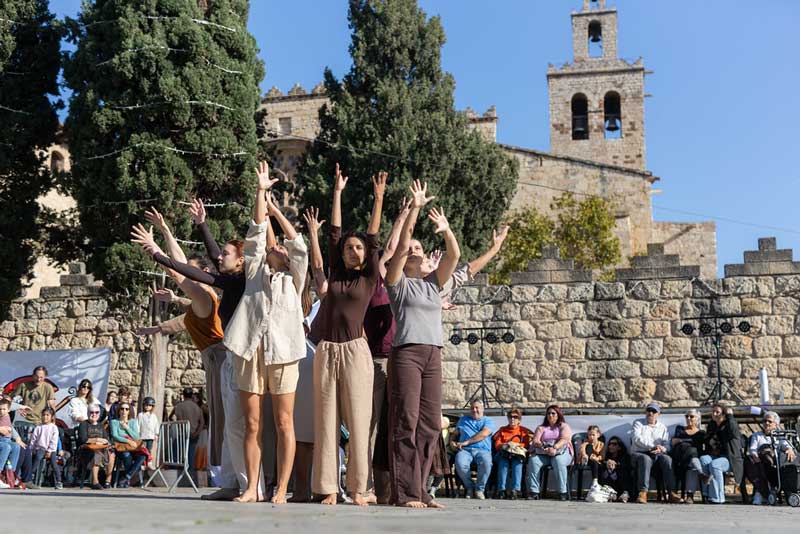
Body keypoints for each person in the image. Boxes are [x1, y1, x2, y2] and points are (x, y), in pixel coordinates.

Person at [137, 198, 250, 502]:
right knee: (229, 424)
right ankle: (237, 481)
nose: (216, 260)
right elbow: (185, 311)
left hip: (223, 357)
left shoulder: (212, 293)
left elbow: (181, 272)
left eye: (226, 255)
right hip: (220, 358)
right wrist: (193, 225)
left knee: (231, 424)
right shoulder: (218, 289)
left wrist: (159, 247)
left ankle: (239, 482)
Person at [223, 161, 308, 504]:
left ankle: (282, 489)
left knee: (285, 422)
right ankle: (251, 488)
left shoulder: (296, 279)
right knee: (253, 424)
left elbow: (299, 246)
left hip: (285, 353)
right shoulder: (255, 270)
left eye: (282, 249)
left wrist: (278, 211)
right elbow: (256, 233)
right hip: (249, 349)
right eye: (276, 246)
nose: (278, 247)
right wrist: (261, 194)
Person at [384, 180, 460, 509]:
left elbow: (454, 255)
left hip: (434, 354)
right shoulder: (397, 282)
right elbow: (399, 250)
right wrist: (414, 209)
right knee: (406, 422)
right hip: (407, 354)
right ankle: (405, 493)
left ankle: (422, 488)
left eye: (418, 248)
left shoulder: (433, 284)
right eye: (411, 248)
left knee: (430, 425)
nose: (415, 250)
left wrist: (445, 229)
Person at [312, 163, 384, 507]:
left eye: (358, 248)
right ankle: (327, 487)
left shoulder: (368, 278)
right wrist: (337, 192)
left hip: (356, 351)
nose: (354, 250)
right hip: (327, 350)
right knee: (326, 422)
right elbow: (334, 234)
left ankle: (359, 488)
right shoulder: (337, 277)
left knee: (358, 420)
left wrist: (378, 199)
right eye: (348, 248)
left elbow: (372, 239)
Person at [629, 401, 681, 504]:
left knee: (667, 459)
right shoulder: (638, 423)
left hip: (657, 454)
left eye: (654, 411)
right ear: (646, 412)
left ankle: (671, 492)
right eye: (649, 410)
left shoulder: (662, 427)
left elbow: (667, 444)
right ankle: (643, 492)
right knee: (646, 459)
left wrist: (662, 448)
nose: (651, 413)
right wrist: (653, 446)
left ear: (658, 414)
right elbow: (637, 439)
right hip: (640, 453)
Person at [745, 410, 796, 505]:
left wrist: (789, 449)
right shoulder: (757, 436)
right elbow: (752, 449)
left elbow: (786, 445)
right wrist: (754, 454)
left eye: (769, 421)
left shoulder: (780, 435)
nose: (766, 423)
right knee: (760, 463)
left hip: (777, 463)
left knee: (787, 462)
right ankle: (761, 492)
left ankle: (787, 491)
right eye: (764, 421)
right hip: (762, 461)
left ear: (776, 424)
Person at [527, 404, 573, 501]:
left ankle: (562, 492)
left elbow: (565, 439)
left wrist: (555, 448)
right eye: (548, 413)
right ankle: (534, 491)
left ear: (558, 414)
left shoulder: (564, 426)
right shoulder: (541, 428)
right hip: (545, 453)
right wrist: (543, 446)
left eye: (553, 413)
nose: (550, 415)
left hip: (562, 453)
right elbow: (535, 441)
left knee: (558, 461)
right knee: (533, 460)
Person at [699, 403, 742, 504]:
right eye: (713, 412)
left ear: (723, 414)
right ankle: (706, 495)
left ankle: (718, 497)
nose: (714, 414)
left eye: (717, 412)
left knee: (715, 464)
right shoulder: (712, 425)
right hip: (716, 456)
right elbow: (708, 441)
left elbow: (734, 432)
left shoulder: (730, 424)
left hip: (730, 458)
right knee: (704, 459)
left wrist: (730, 415)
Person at [451, 400, 495, 500]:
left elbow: (484, 434)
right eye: (472, 408)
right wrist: (452, 442)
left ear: (482, 409)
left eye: (477, 407)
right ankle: (469, 487)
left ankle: (479, 489)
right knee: (460, 462)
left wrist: (466, 442)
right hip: (465, 450)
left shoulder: (488, 420)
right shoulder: (463, 420)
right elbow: (454, 434)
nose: (474, 410)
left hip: (482, 450)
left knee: (486, 462)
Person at [492, 408, 532, 500]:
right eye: (510, 417)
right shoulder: (502, 430)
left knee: (517, 463)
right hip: (503, 453)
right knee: (503, 462)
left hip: (517, 455)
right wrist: (507, 446)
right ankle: (501, 490)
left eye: (515, 417)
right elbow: (497, 444)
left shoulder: (523, 431)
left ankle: (515, 490)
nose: (512, 419)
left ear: (519, 420)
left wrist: (515, 445)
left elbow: (526, 445)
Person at [670, 408, 705, 503]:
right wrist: (688, 441)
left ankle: (690, 497)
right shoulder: (680, 429)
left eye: (692, 416)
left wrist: (681, 440)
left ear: (697, 418)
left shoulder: (701, 433)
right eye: (687, 416)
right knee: (691, 450)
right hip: (679, 457)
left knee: (692, 464)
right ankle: (701, 474)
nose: (688, 418)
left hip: (691, 460)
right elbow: (673, 442)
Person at [110, 401, 148, 488]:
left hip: (133, 447)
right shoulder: (114, 422)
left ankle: (126, 477)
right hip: (121, 447)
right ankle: (126, 481)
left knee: (143, 456)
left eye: (126, 409)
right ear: (119, 411)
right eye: (122, 409)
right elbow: (115, 436)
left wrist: (127, 428)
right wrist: (128, 441)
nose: (124, 411)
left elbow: (136, 437)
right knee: (127, 455)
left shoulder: (133, 422)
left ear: (129, 411)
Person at [78, 406, 115, 489]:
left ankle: (107, 481)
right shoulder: (84, 424)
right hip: (86, 451)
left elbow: (106, 439)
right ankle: (95, 481)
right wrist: (97, 439)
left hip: (101, 449)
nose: (94, 414)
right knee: (97, 453)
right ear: (88, 413)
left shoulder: (101, 426)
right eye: (91, 412)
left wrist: (103, 441)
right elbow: (83, 439)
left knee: (112, 454)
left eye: (96, 412)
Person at [170, 388, 204, 472]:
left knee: (176, 452)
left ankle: (175, 471)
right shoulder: (197, 407)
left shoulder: (178, 406)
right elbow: (202, 422)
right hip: (193, 433)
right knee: (191, 454)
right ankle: (190, 473)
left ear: (183, 395)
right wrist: (197, 433)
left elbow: (171, 417)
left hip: (181, 433)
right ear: (191, 395)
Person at [12, 366, 56, 431]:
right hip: (23, 420)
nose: (38, 379)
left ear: (45, 377)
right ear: (33, 375)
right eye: (36, 376)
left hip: (40, 421)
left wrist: (53, 421)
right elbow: (10, 400)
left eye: (41, 377)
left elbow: (52, 406)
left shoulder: (48, 387)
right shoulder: (23, 385)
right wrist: (18, 408)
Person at [29, 407, 62, 489]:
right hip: (40, 448)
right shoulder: (39, 427)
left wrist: (50, 451)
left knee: (54, 464)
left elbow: (54, 440)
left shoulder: (54, 427)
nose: (45, 417)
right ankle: (30, 477)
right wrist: (31, 449)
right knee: (37, 458)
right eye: (43, 415)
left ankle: (58, 481)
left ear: (52, 417)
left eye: (47, 415)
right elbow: (34, 439)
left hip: (51, 450)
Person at [0, 398, 25, 488]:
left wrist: (22, 406)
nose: (2, 411)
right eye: (0, 409)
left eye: (4, 409)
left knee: (16, 447)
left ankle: (10, 474)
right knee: (6, 447)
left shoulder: (6, 416)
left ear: (8, 410)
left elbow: (10, 405)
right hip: (2, 440)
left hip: (5, 439)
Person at [599, 436, 631, 502]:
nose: (611, 446)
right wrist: (607, 463)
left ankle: (625, 493)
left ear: (619, 447)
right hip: (609, 483)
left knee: (623, 470)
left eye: (614, 444)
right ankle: (609, 493)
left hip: (620, 483)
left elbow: (626, 465)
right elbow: (601, 461)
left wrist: (615, 464)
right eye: (610, 444)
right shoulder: (606, 456)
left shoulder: (625, 456)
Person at [577, 425, 604, 491]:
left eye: (593, 435)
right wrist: (585, 455)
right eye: (589, 435)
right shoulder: (586, 443)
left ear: (598, 435)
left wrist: (597, 458)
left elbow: (602, 455)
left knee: (596, 464)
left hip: (596, 461)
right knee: (589, 446)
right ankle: (595, 481)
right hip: (586, 459)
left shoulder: (601, 444)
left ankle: (596, 482)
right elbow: (582, 450)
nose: (591, 437)